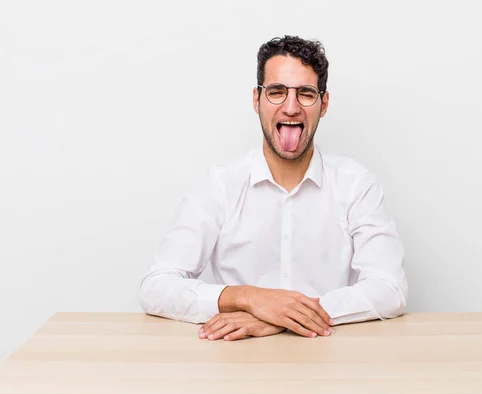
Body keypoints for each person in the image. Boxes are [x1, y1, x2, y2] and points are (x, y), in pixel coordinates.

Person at [140, 35, 408, 342]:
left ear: (324, 104)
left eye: (306, 93)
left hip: (331, 362)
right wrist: (250, 299)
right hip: (236, 364)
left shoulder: (356, 184)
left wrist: (284, 317)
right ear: (257, 100)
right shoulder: (220, 186)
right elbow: (156, 287)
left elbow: (390, 287)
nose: (291, 107)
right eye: (277, 92)